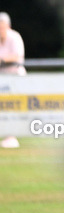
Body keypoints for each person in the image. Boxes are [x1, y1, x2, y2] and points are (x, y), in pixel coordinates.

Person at [0, 11, 26, 148]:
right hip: (2, 79)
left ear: (8, 26)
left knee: (10, 107)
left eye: (1, 26)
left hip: (15, 79)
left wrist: (2, 60)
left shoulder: (15, 37)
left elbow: (17, 56)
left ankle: (11, 138)